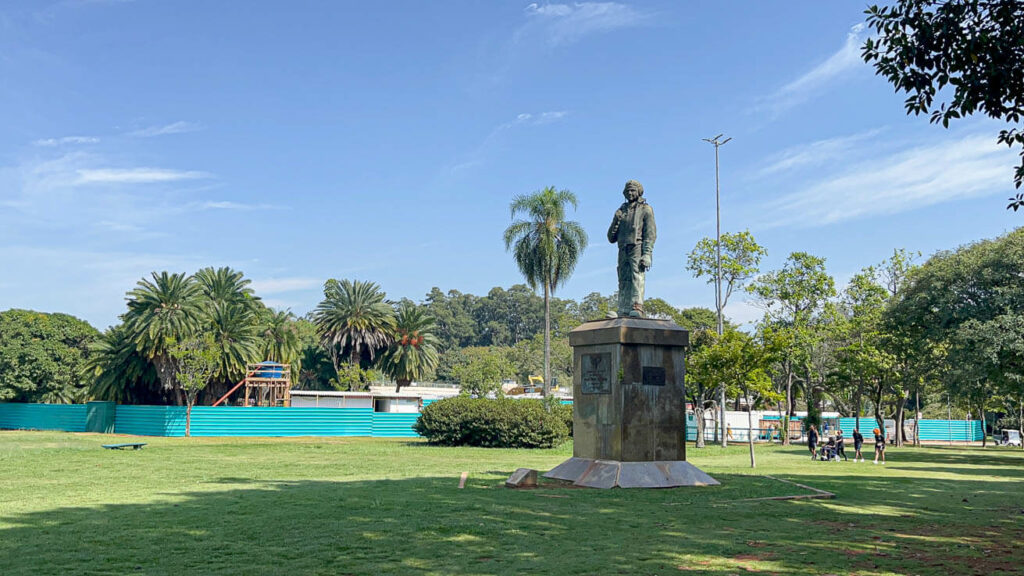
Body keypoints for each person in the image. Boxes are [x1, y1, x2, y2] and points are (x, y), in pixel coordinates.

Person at [607, 180, 657, 317]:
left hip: (637, 247)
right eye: (628, 190)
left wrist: (647, 254)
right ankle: (623, 308)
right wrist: (616, 220)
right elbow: (611, 238)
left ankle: (637, 306)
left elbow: (650, 234)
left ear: (639, 191)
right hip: (622, 248)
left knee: (637, 276)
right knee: (623, 278)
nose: (630, 193)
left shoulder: (646, 209)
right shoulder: (621, 211)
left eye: (633, 190)